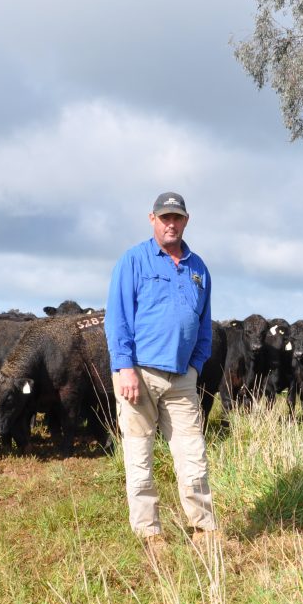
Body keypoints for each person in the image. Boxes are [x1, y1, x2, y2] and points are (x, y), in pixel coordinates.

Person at [105, 191, 217, 555]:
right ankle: (150, 534)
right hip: (139, 374)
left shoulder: (198, 268)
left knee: (193, 453)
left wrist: (196, 366)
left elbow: (204, 326)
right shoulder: (133, 260)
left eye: (177, 217)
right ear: (151, 219)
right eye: (164, 217)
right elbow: (117, 318)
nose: (171, 223)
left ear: (187, 220)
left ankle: (204, 529)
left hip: (182, 378)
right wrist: (125, 368)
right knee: (139, 454)